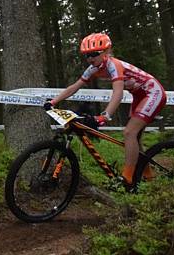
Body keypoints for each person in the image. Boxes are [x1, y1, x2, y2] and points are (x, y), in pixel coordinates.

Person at [45, 32, 166, 188]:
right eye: (87, 55)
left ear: (106, 52)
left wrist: (105, 115)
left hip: (153, 92)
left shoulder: (113, 64)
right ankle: (148, 176)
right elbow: (74, 87)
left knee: (129, 133)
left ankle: (126, 179)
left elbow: (118, 93)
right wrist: (53, 102)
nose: (90, 58)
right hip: (139, 95)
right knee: (134, 138)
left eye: (94, 54)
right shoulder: (93, 68)